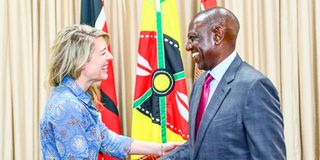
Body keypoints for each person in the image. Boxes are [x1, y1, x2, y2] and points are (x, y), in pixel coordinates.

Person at [160, 7, 286, 160]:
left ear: (217, 35)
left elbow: (269, 156)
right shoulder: (200, 84)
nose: (187, 46)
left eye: (193, 38)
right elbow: (197, 146)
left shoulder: (254, 87)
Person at [40, 24, 181, 159]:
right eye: (103, 53)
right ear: (81, 61)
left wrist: (160, 149)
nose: (110, 57)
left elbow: (107, 140)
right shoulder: (68, 105)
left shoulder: (77, 98)